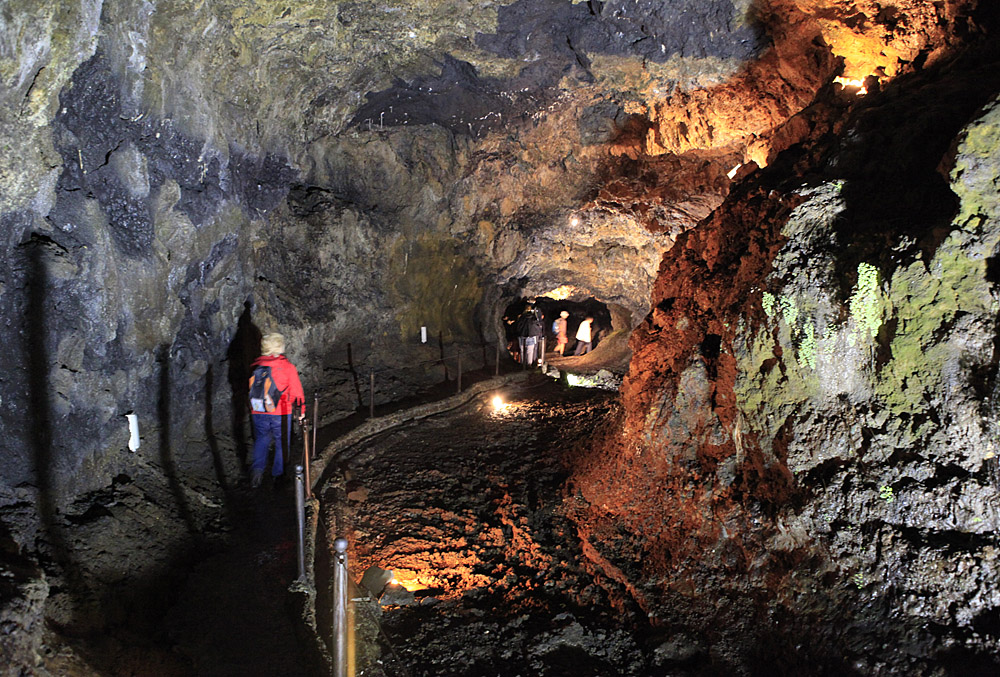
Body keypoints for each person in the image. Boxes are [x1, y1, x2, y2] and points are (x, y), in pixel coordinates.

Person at [248, 332, 305, 489]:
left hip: (258, 411)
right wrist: (301, 412)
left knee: (262, 439)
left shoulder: (255, 366)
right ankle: (278, 476)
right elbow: (297, 393)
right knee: (281, 443)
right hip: (280, 412)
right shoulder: (286, 367)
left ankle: (257, 472)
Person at [515, 301, 546, 367]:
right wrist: (539, 335)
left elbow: (518, 327)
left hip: (522, 336)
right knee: (530, 350)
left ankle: (523, 364)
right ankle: (529, 364)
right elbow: (538, 328)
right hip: (531, 335)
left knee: (522, 350)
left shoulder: (521, 318)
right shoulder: (534, 319)